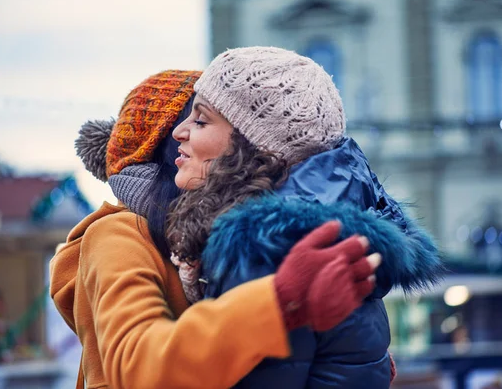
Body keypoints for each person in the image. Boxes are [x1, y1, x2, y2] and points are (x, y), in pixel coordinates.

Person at [50, 70, 380, 389]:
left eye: (203, 119)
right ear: (168, 146)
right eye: (195, 118)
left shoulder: (212, 237)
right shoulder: (119, 235)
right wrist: (277, 300)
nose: (185, 132)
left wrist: (336, 357)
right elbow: (138, 363)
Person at [166, 47, 444, 388]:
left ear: (253, 142)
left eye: (200, 119)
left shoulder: (265, 247)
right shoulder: (313, 232)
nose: (179, 131)